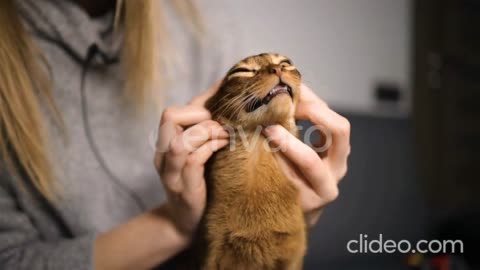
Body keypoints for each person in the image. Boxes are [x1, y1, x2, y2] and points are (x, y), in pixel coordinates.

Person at [0, 0, 351, 269]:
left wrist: (284, 211)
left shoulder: (197, 21)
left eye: (283, 66)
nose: (276, 70)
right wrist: (173, 224)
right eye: (248, 70)